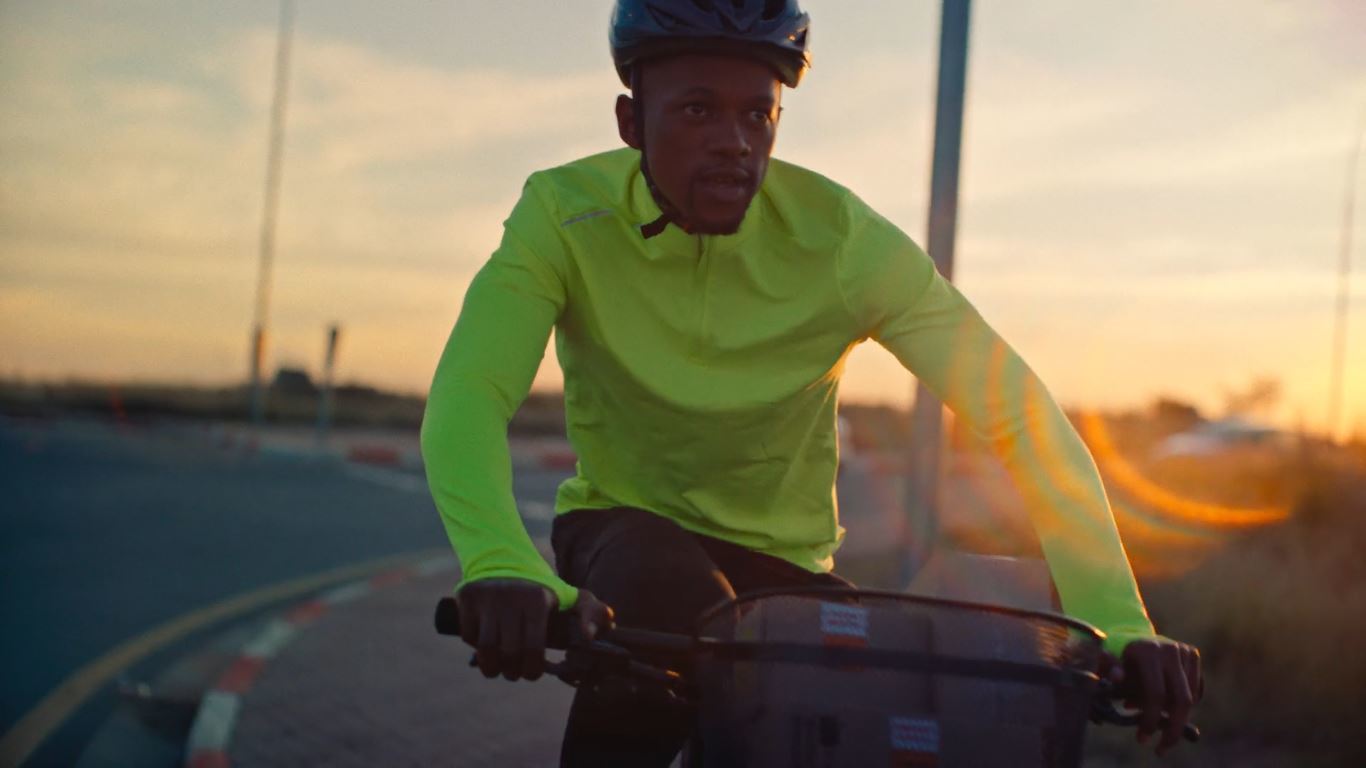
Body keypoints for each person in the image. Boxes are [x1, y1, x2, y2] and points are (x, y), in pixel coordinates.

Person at [421, 1, 1202, 764]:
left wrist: (1116, 621)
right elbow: (471, 395)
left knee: (888, 714)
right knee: (670, 600)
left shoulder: (842, 241)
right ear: (631, 124)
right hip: (624, 531)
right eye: (696, 110)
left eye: (757, 116)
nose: (733, 143)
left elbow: (1021, 417)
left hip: (787, 572)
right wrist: (501, 564)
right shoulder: (561, 214)